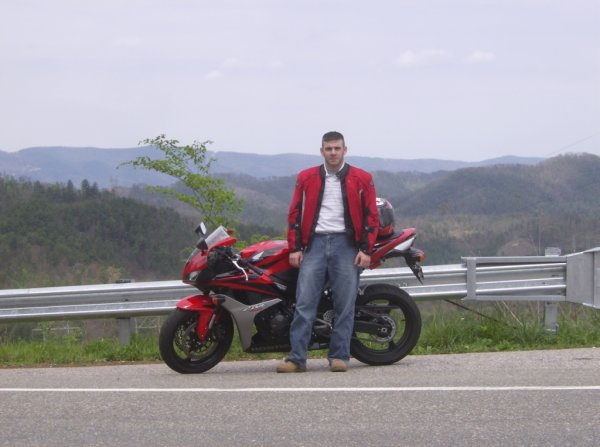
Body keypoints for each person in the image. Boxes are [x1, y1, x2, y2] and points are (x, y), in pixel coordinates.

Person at [277, 131, 379, 373]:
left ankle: (339, 356)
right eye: (329, 148)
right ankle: (297, 359)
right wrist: (295, 247)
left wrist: (366, 250)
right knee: (304, 303)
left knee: (345, 304)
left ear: (345, 150)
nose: (333, 152)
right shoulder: (306, 177)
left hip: (346, 245)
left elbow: (371, 216)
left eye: (337, 148)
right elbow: (294, 213)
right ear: (321, 151)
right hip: (315, 244)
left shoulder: (362, 178)